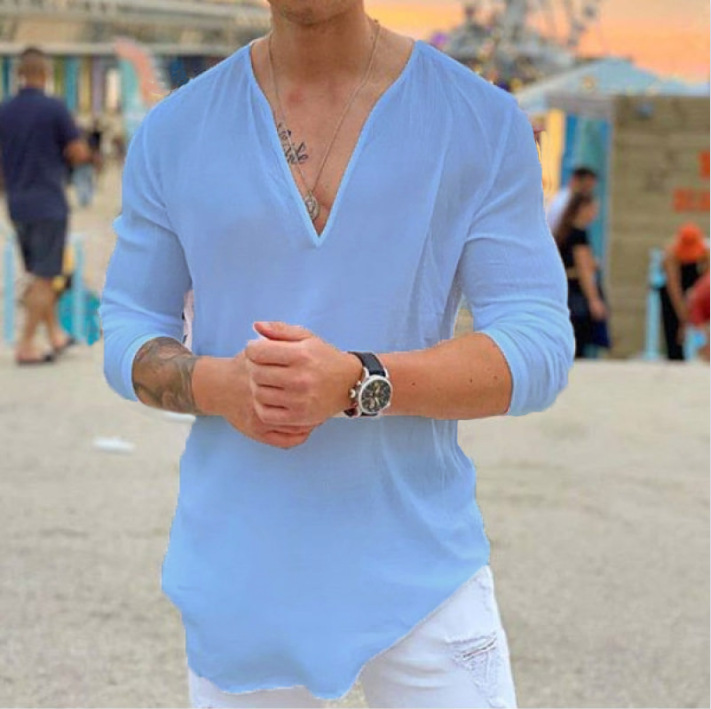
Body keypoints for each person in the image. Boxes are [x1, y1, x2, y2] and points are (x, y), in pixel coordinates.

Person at [100, 3, 574, 707]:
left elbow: (537, 341)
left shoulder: (477, 121)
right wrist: (219, 384)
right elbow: (128, 323)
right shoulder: (177, 131)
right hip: (241, 567)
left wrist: (359, 381)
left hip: (423, 570)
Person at [0, 47, 90, 364]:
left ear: (19, 74)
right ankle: (25, 344)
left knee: (37, 271)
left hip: (17, 203)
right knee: (46, 275)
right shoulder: (54, 108)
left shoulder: (5, 111)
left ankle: (55, 334)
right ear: (45, 73)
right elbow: (78, 151)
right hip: (48, 201)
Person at [553, 192, 608, 359]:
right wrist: (594, 299)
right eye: (593, 209)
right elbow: (584, 270)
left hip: (564, 291)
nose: (595, 214)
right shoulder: (578, 234)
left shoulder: (564, 231)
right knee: (579, 343)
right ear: (582, 209)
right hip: (576, 293)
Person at [658, 222, 709, 361]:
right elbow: (674, 288)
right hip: (674, 290)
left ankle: (704, 350)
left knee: (698, 325)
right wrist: (683, 318)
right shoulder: (670, 255)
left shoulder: (705, 253)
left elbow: (706, 281)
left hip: (699, 291)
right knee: (673, 326)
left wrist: (695, 299)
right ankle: (675, 356)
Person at [546, 166, 598, 234]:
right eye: (587, 186)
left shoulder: (573, 201)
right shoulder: (563, 202)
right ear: (576, 180)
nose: (588, 192)